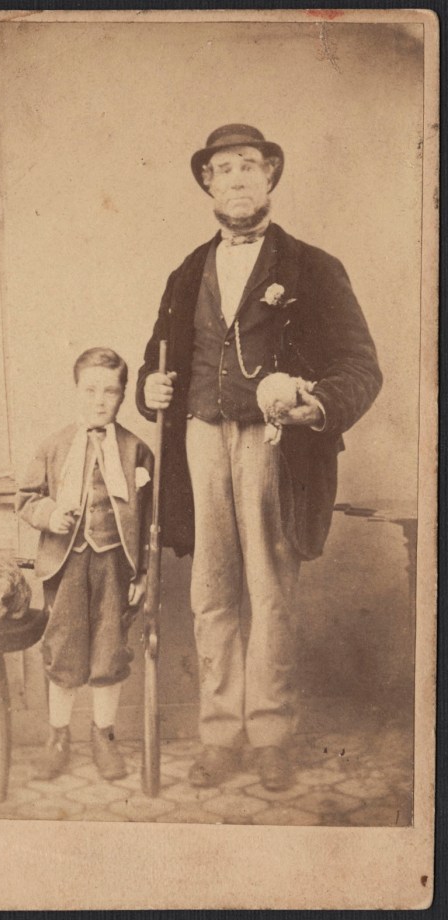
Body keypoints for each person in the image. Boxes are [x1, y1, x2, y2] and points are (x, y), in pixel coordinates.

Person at [136, 124, 382, 791]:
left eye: (250, 165)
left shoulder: (312, 266)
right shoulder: (187, 271)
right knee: (210, 590)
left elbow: (360, 366)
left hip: (275, 445)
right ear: (208, 184)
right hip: (199, 439)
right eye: (224, 168)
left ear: (271, 177)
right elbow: (158, 359)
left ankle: (271, 731)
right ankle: (221, 734)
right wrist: (147, 387)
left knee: (270, 590)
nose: (237, 177)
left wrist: (317, 405)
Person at [16, 347, 153, 781]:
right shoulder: (55, 446)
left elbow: (150, 519)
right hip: (67, 564)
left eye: (110, 391)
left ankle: (103, 736)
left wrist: (144, 571)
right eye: (91, 389)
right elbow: (27, 499)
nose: (100, 400)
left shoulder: (136, 451)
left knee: (109, 650)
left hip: (116, 564)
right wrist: (51, 514)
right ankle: (58, 737)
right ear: (76, 390)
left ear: (123, 395)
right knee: (64, 650)